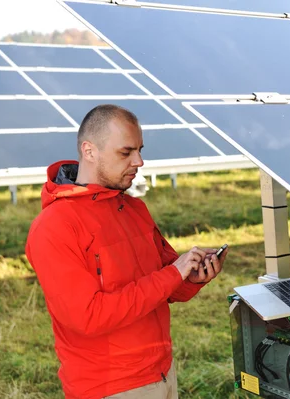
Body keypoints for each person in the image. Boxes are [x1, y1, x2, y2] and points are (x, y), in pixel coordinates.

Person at [25, 104, 227, 399]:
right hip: (110, 387)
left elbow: (168, 287)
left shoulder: (133, 208)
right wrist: (173, 273)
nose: (140, 161)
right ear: (90, 151)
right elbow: (88, 318)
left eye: (140, 150)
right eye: (126, 152)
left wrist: (194, 276)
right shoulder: (54, 226)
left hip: (162, 373)